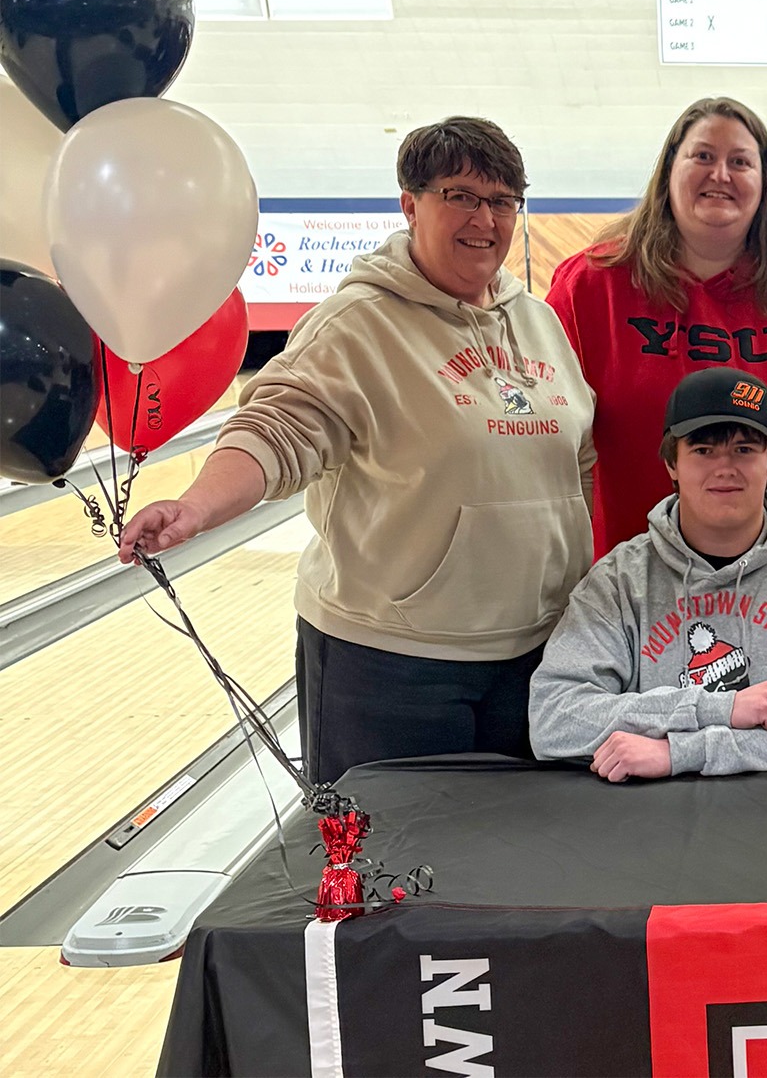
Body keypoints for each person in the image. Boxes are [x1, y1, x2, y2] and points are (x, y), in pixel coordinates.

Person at [119, 117, 594, 783]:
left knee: (515, 847)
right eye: (460, 195)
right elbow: (278, 428)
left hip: (536, 653)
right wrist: (197, 506)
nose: (484, 219)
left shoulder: (538, 322)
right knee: (385, 847)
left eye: (502, 200)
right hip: (392, 664)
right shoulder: (356, 325)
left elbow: (578, 463)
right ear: (411, 205)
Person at [547, 96, 767, 561]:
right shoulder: (590, 288)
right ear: (669, 170)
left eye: (740, 162)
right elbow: (550, 446)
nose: (720, 174)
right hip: (626, 587)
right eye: (703, 156)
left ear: (764, 184)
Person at [530, 369, 767, 780]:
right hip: (650, 810)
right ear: (671, 464)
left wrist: (679, 753)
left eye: (744, 449)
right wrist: (720, 708)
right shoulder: (619, 580)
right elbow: (554, 718)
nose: (725, 468)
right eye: (703, 450)